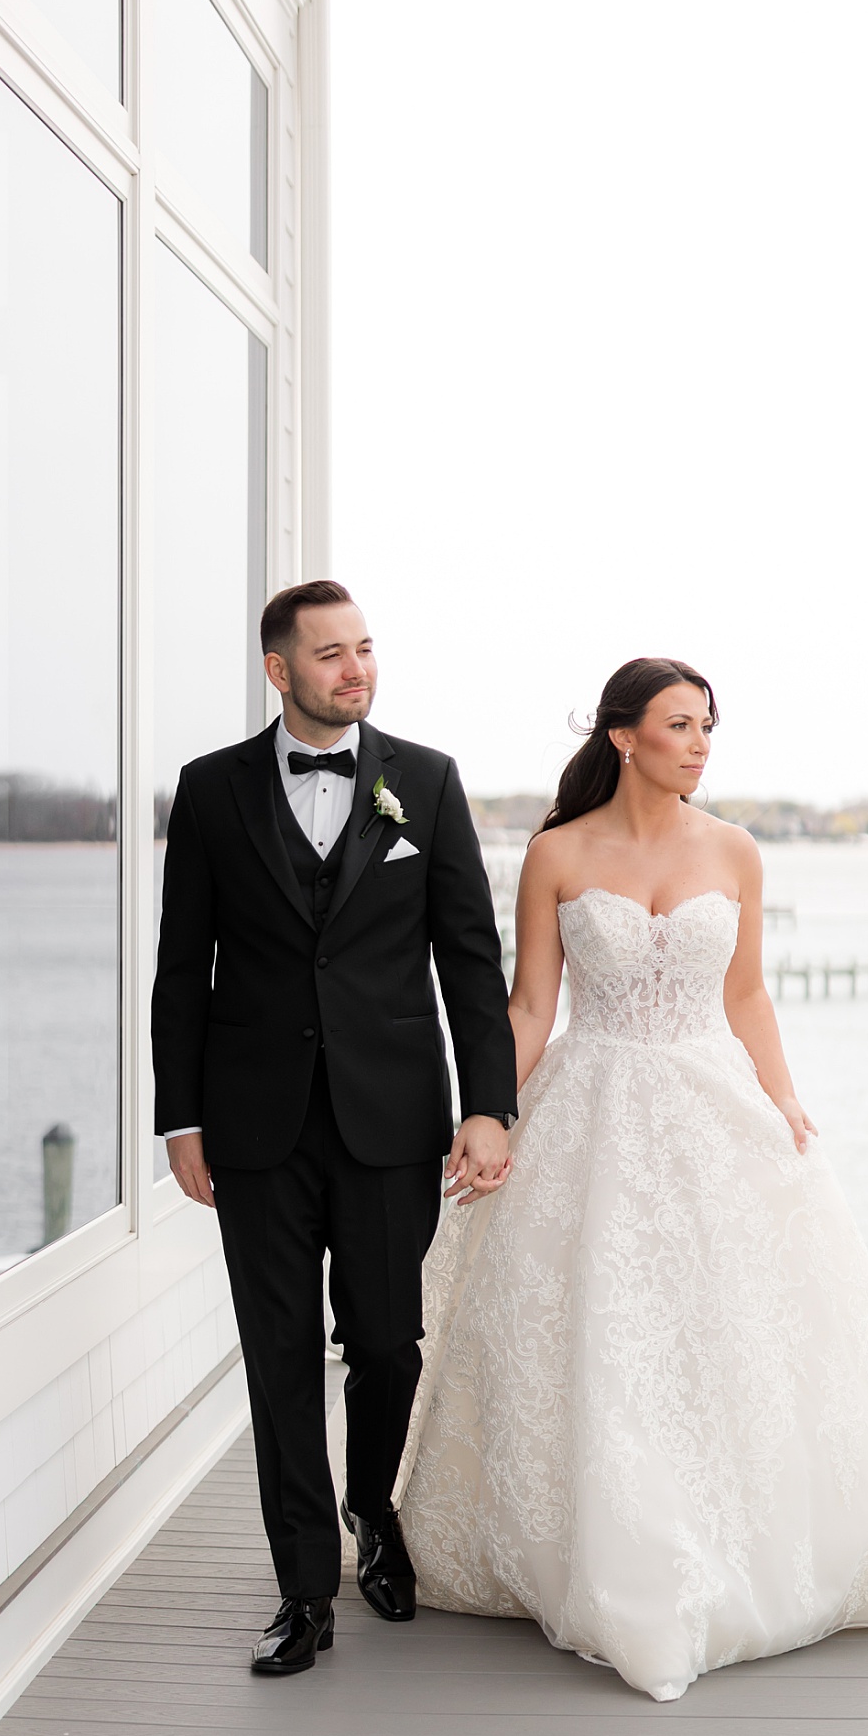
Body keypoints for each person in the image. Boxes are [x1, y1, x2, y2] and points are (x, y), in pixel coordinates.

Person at [397, 657, 868, 1702]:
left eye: (707, 726)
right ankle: (610, 1545)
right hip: (590, 1104)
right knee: (603, 1327)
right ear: (622, 736)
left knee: (730, 1324)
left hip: (710, 1100)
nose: (699, 743)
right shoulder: (554, 853)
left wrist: (785, 1097)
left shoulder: (735, 850)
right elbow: (530, 1005)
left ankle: (743, 1535)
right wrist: (486, 1110)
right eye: (678, 725)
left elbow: (748, 994)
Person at [152, 581, 517, 1676]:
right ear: (279, 671)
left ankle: (377, 1521)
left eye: (363, 650)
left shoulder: (427, 782)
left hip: (389, 1119)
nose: (353, 670)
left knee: (387, 1345)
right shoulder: (211, 791)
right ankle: (301, 1592)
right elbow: (182, 968)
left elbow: (468, 957)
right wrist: (180, 1118)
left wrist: (488, 1105)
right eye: (328, 655)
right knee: (275, 1362)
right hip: (254, 1126)